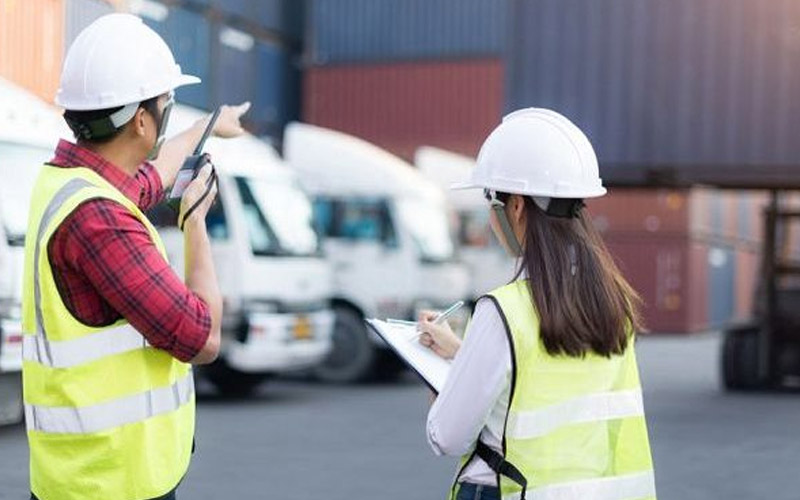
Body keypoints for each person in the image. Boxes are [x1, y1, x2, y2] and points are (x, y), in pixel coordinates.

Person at [21, 14, 249, 500]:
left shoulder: (69, 181)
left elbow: (150, 179)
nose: (168, 113)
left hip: (85, 476)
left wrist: (207, 127)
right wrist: (195, 223)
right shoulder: (100, 220)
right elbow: (204, 337)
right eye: (166, 102)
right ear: (142, 120)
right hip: (109, 482)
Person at [418, 108, 657, 500]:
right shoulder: (615, 304)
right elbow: (548, 380)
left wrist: (440, 375)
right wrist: (463, 353)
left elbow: (447, 436)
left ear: (514, 205)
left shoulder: (503, 312)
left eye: (490, 199)